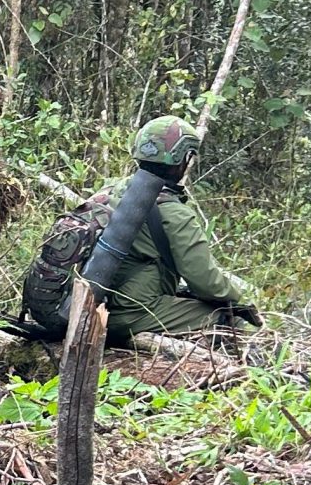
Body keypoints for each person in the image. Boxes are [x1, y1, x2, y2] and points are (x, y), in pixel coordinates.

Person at [23, 114, 259, 343]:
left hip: (87, 304)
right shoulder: (175, 213)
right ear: (185, 159)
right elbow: (205, 279)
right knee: (227, 322)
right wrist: (241, 303)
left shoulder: (114, 190)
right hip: (126, 313)